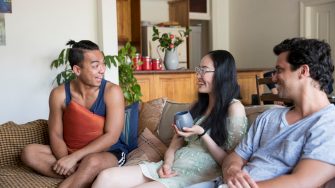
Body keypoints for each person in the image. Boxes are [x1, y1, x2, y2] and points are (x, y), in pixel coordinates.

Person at [189, 38, 335, 188]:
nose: (273, 78)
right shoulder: (268, 116)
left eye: (279, 70)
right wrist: (232, 170)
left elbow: (302, 182)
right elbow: (234, 157)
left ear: (303, 71)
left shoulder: (328, 123)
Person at [92, 50, 249, 188]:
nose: (198, 75)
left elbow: (231, 162)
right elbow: (175, 144)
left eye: (204, 70)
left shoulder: (234, 108)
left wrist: (202, 134)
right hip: (173, 166)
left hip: (198, 175)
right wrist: (166, 164)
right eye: (198, 69)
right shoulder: (197, 106)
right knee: (106, 177)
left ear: (222, 73)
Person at [21, 40, 128, 188]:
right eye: (96, 66)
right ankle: (86, 176)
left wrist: (74, 158)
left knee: (92, 162)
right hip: (72, 149)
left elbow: (112, 136)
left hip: (109, 152)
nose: (102, 70)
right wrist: (65, 159)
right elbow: (56, 134)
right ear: (77, 70)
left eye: (103, 64)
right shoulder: (59, 94)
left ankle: (80, 176)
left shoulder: (112, 92)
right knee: (29, 153)